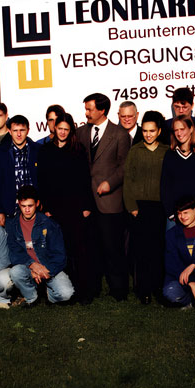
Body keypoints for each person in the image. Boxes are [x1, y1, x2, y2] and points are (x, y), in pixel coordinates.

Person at [75, 92, 131, 301]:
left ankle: (119, 290)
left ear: (102, 110)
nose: (86, 113)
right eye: (86, 109)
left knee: (113, 248)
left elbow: (125, 166)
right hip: (88, 202)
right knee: (91, 248)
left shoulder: (120, 134)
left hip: (110, 202)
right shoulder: (80, 132)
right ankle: (93, 288)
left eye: (89, 109)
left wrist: (111, 182)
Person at [37, 113, 94, 303]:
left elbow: (86, 179)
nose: (62, 132)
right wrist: (45, 207)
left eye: (66, 129)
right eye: (59, 128)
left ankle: (83, 291)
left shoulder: (78, 150)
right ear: (54, 128)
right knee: (59, 250)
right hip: (53, 209)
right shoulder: (45, 150)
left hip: (75, 208)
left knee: (79, 250)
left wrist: (86, 206)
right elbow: (42, 181)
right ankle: (64, 290)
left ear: (71, 131)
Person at [124, 111, 170, 304]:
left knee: (158, 249)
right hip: (140, 208)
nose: (148, 134)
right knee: (141, 251)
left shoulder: (167, 151)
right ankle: (143, 290)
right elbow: (128, 180)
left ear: (159, 131)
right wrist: (132, 206)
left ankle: (157, 287)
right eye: (145, 131)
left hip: (160, 207)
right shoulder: (135, 151)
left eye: (152, 131)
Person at [6, 185, 75, 305]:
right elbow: (14, 252)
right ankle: (31, 297)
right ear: (19, 205)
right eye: (23, 206)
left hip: (48, 268)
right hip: (28, 268)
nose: (27, 210)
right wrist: (32, 265)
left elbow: (60, 256)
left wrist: (45, 271)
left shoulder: (49, 224)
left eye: (30, 206)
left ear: (37, 203)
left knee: (66, 293)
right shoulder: (13, 225)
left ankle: (49, 295)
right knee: (15, 272)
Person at [0, 114, 41, 226]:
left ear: (28, 130)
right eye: (15, 130)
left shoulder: (38, 150)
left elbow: (45, 180)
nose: (18, 134)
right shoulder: (0, 153)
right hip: (10, 211)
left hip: (35, 210)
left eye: (22, 130)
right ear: (9, 131)